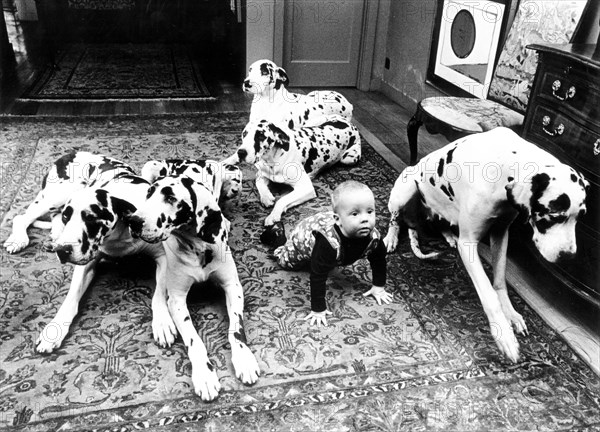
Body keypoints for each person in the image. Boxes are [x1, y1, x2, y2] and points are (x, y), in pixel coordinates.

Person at [273, 180, 393, 326]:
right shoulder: (327, 242)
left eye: (369, 211)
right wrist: (318, 309)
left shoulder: (374, 237)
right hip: (304, 237)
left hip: (333, 240)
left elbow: (379, 260)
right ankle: (275, 235)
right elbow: (317, 276)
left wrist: (379, 287)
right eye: (355, 214)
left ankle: (328, 255)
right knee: (286, 261)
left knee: (327, 262)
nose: (365, 219)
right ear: (338, 219)